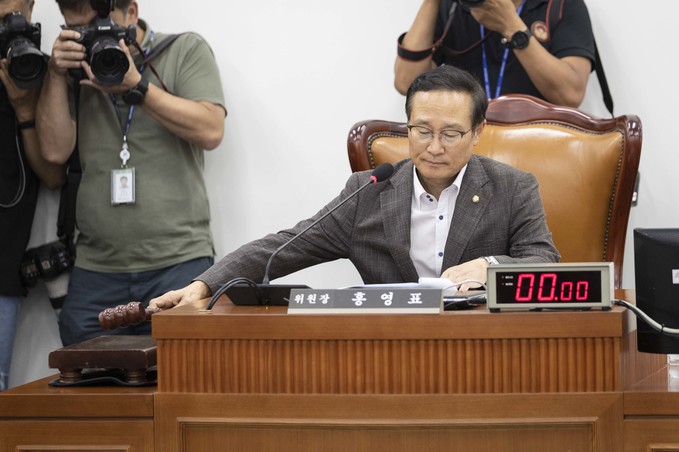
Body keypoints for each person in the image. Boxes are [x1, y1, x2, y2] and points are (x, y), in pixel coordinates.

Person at [150, 65, 559, 311]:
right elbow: (282, 247)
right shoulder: (370, 192)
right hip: (386, 353)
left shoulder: (513, 187)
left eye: (451, 134)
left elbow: (544, 261)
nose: (434, 147)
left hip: (483, 347)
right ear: (407, 128)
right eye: (422, 131)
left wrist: (490, 266)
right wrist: (204, 284)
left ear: (477, 132)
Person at [35, 0, 227, 345]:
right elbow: (53, 151)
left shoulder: (183, 49)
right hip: (96, 268)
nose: (90, 37)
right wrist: (55, 73)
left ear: (132, 13)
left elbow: (211, 129)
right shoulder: (76, 70)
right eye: (77, 30)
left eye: (98, 24)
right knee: (86, 375)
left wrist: (137, 87)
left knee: (185, 374)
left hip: (179, 261)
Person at [0, 0, 66, 391]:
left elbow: (54, 175)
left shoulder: (34, 69)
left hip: (3, 274)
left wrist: (25, 107)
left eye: (12, 15)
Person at [394, 0, 595, 107]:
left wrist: (512, 27)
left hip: (536, 143)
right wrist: (432, 2)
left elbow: (571, 95)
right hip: (467, 142)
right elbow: (406, 82)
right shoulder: (453, 6)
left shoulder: (561, 5)